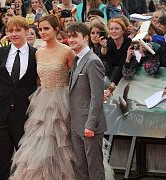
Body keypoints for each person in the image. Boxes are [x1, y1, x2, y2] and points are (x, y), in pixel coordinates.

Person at [10, 14, 76, 179]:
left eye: (46, 28)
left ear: (57, 29)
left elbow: (76, 78)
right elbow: (37, 80)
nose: (42, 32)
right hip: (41, 101)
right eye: (40, 29)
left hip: (63, 101)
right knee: (38, 142)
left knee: (63, 144)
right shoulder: (38, 53)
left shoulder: (67, 51)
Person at [0, 16, 38, 180]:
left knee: (27, 161)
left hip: (25, 115)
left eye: (17, 30)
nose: (13, 34)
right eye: (10, 30)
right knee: (1, 161)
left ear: (26, 32)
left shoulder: (36, 55)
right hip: (1, 115)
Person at [68, 22, 107, 180]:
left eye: (75, 36)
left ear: (85, 38)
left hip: (90, 126)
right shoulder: (76, 60)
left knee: (94, 168)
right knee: (80, 168)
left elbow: (97, 97)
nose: (71, 39)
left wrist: (90, 125)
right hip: (76, 124)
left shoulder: (93, 61)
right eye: (69, 36)